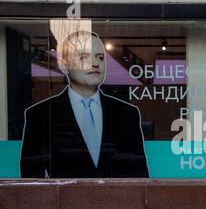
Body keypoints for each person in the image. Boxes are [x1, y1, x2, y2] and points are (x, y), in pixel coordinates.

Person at [20, 30, 149, 178]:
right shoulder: (39, 114)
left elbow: (139, 173)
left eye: (100, 57)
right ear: (64, 65)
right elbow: (31, 176)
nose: (95, 63)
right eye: (83, 57)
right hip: (66, 200)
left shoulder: (127, 113)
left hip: (117, 199)